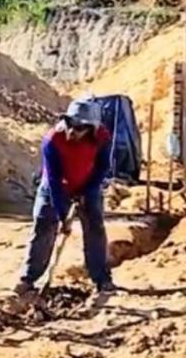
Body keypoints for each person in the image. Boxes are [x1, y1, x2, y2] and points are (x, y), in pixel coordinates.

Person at [17, 97, 115, 293]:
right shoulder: (52, 140)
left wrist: (87, 191)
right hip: (55, 187)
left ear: (91, 128)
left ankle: (101, 278)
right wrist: (63, 215)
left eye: (79, 128)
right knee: (44, 225)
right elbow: (54, 178)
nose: (72, 131)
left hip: (89, 184)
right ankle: (29, 278)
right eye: (69, 123)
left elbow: (103, 167)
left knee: (95, 227)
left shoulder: (102, 138)